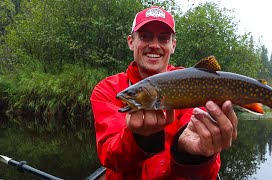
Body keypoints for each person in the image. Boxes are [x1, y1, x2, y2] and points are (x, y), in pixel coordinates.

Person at [90, 6, 238, 180]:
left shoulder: (194, 84)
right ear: (131, 42)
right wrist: (138, 138)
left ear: (173, 45)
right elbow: (109, 157)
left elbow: (207, 175)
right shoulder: (107, 90)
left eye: (163, 38)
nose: (154, 45)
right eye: (145, 36)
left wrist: (194, 154)